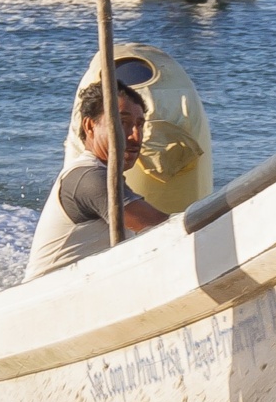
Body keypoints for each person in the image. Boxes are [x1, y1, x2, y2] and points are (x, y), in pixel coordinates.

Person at [24, 80, 168, 278]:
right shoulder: (89, 178)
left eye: (139, 125)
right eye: (123, 123)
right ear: (90, 126)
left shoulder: (105, 175)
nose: (136, 136)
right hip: (49, 301)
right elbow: (163, 228)